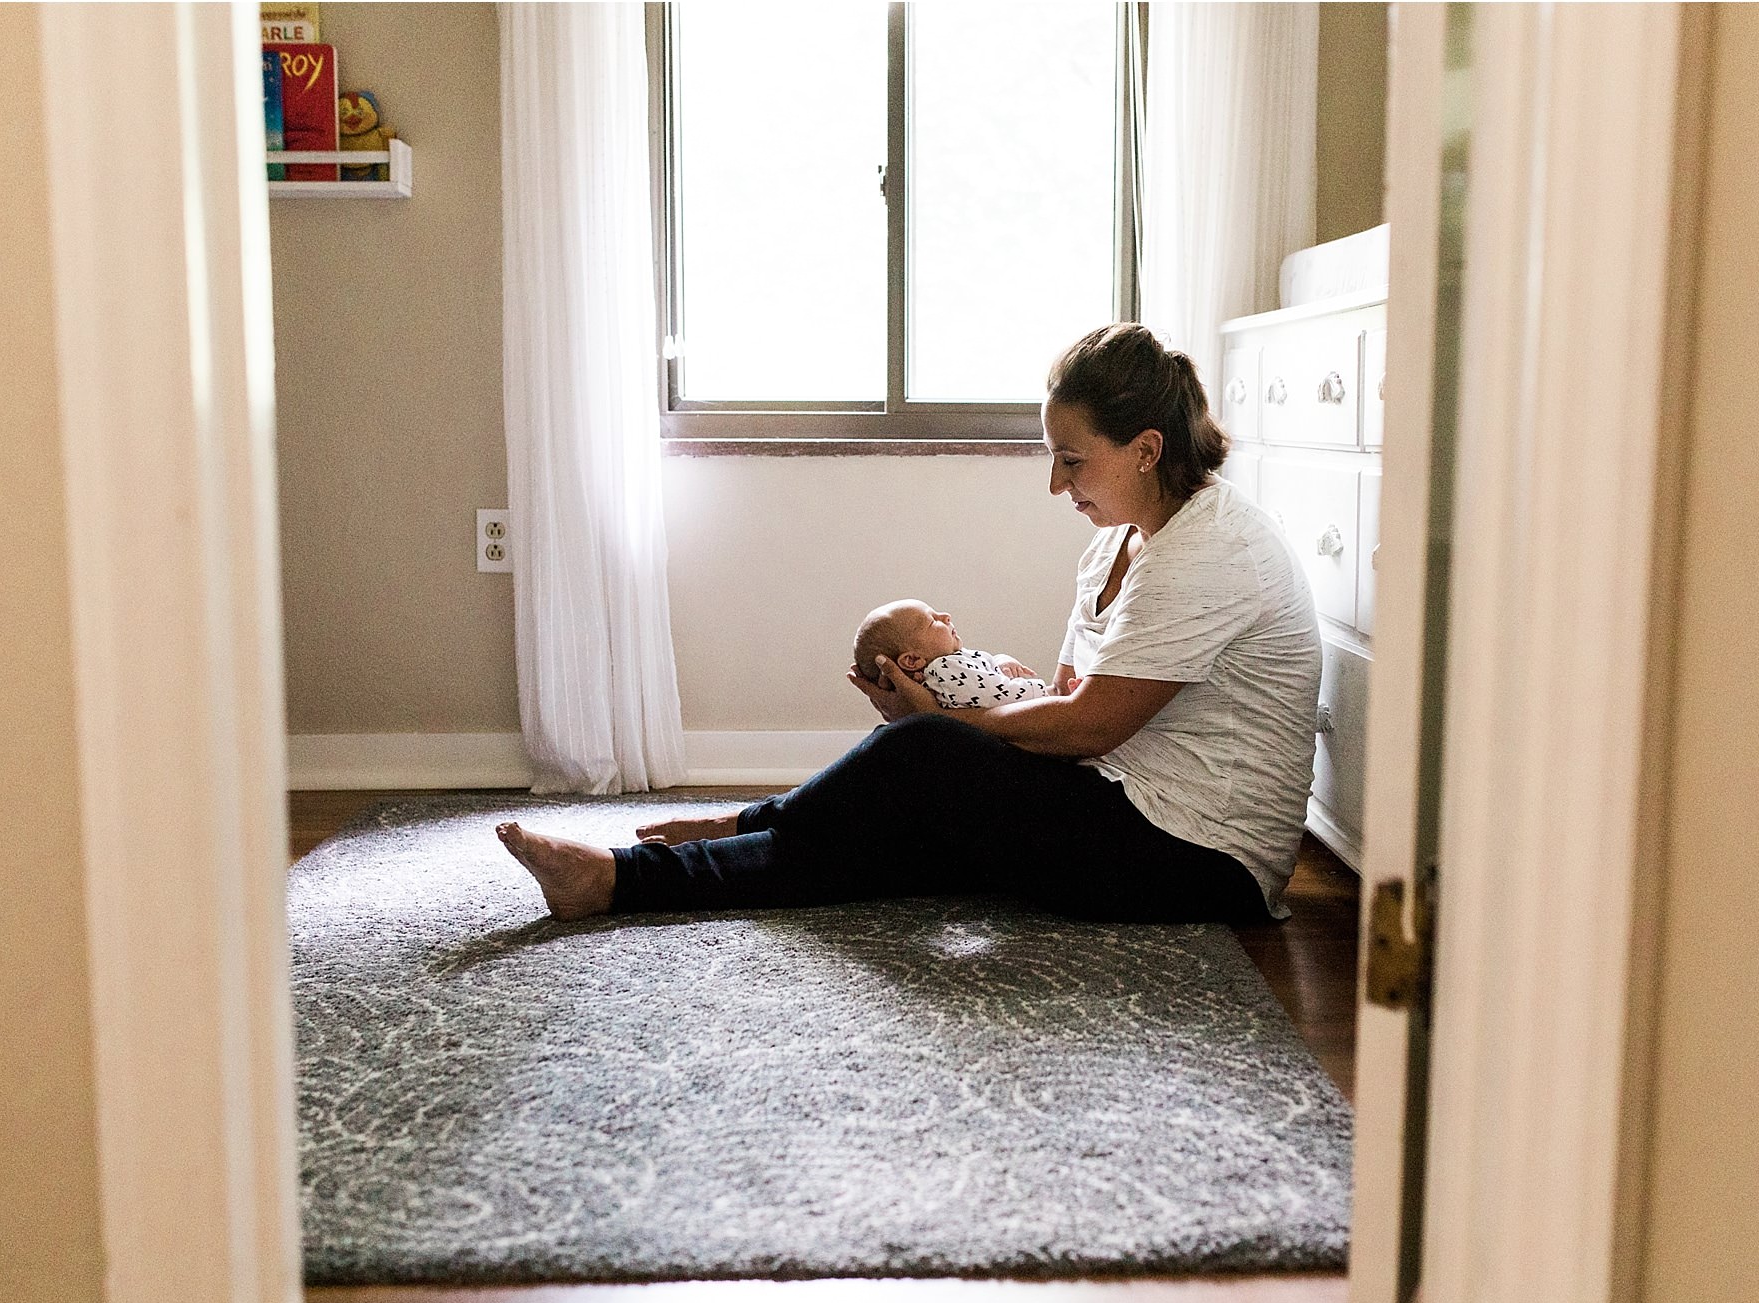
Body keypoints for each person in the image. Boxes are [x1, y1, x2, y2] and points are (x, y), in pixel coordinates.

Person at [497, 323, 1323, 927]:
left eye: (1072, 461)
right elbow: (1065, 695)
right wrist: (965, 713)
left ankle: (713, 838)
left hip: (1204, 860)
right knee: (900, 816)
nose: (1054, 483)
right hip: (1120, 804)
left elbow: (1088, 722)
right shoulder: (1115, 545)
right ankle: (622, 878)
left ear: (1146, 449)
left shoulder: (1213, 550)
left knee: (926, 758)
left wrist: (942, 721)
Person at [852, 598, 1052, 709]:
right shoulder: (945, 669)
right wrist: (1051, 693)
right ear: (912, 660)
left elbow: (984, 676)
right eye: (933, 621)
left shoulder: (951, 664)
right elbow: (1002, 696)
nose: (946, 616)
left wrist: (1000, 661)